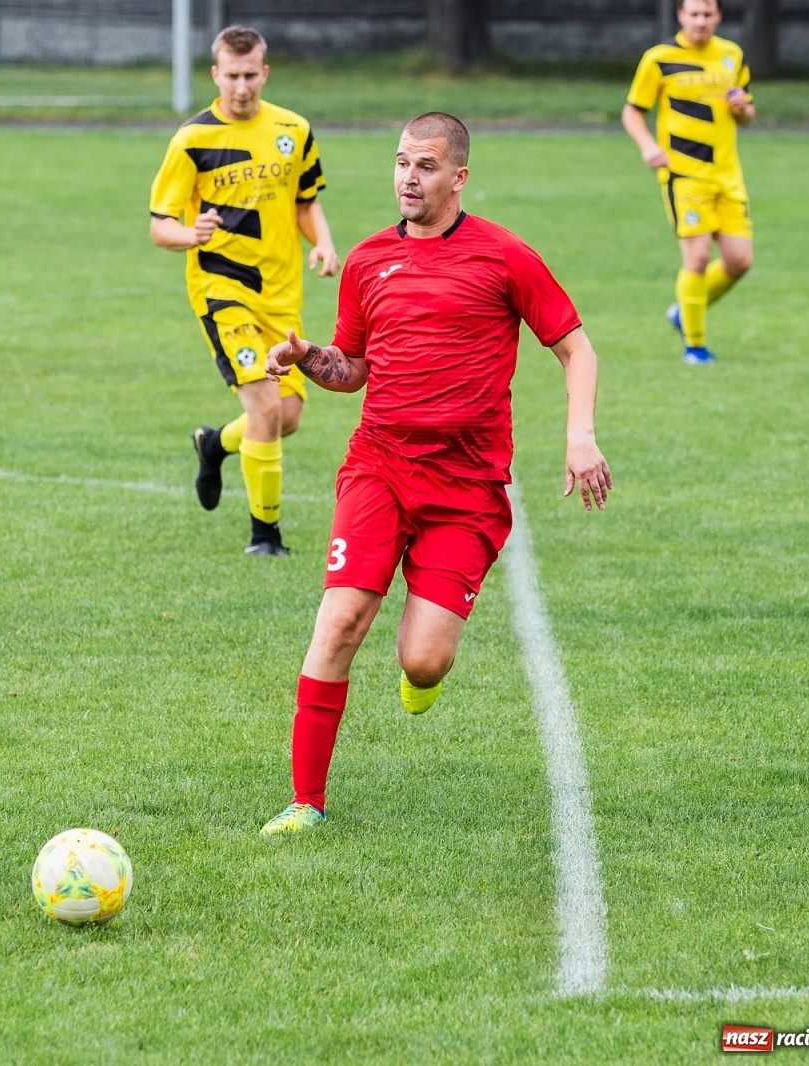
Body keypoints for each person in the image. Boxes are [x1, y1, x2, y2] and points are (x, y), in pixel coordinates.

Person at [257, 113, 612, 835]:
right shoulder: (364, 262)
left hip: (467, 489)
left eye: (424, 166)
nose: (407, 179)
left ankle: (419, 674)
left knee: (422, 662)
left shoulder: (505, 257)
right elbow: (354, 368)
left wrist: (580, 437)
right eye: (399, 164)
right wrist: (309, 358)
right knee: (341, 620)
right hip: (379, 466)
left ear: (458, 177)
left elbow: (577, 349)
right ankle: (306, 803)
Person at [148, 26, 339, 557]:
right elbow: (160, 224)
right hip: (222, 290)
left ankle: (213, 445)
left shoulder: (293, 130)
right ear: (215, 74)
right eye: (231, 75)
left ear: (265, 72)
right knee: (264, 408)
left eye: (250, 74)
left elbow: (305, 201)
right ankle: (265, 537)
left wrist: (322, 242)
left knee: (288, 416)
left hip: (282, 294)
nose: (241, 86)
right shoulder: (192, 139)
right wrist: (192, 234)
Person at [622, 0, 754, 364]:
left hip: (727, 176)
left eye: (707, 14)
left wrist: (743, 109)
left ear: (718, 17)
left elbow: (747, 113)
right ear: (680, 16)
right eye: (693, 14)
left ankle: (683, 311)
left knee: (739, 261)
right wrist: (648, 146)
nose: (701, 21)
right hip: (684, 175)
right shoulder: (659, 58)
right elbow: (632, 111)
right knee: (697, 259)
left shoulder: (732, 55)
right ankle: (695, 347)